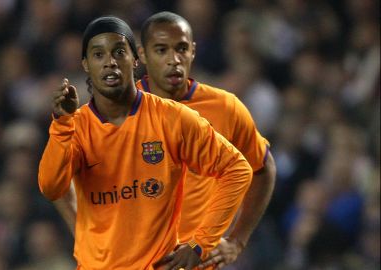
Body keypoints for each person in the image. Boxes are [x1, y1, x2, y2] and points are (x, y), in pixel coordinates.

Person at [38, 16, 253, 270]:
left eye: (119, 52)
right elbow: (51, 187)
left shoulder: (171, 118)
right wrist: (62, 126)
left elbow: (237, 169)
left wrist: (201, 243)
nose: (110, 62)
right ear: (86, 64)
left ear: (135, 59)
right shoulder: (76, 126)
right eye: (98, 55)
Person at [136, 12, 276, 269]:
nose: (174, 59)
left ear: (193, 51)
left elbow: (264, 169)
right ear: (142, 54)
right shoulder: (118, 113)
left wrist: (237, 241)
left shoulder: (225, 108)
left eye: (181, 48)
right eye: (161, 50)